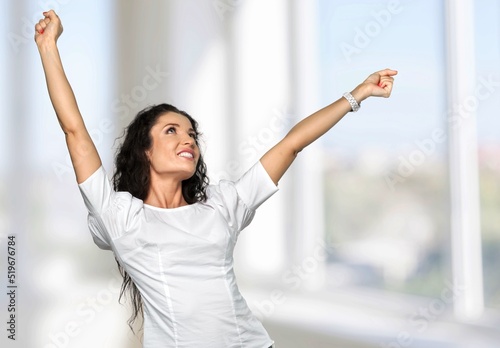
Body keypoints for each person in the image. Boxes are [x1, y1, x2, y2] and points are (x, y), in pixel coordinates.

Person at [35, 9, 396, 348]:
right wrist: (48, 46)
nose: (188, 139)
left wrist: (357, 94)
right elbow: (75, 132)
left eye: (192, 133)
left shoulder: (221, 205)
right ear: (144, 149)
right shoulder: (122, 217)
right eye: (172, 131)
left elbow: (291, 145)